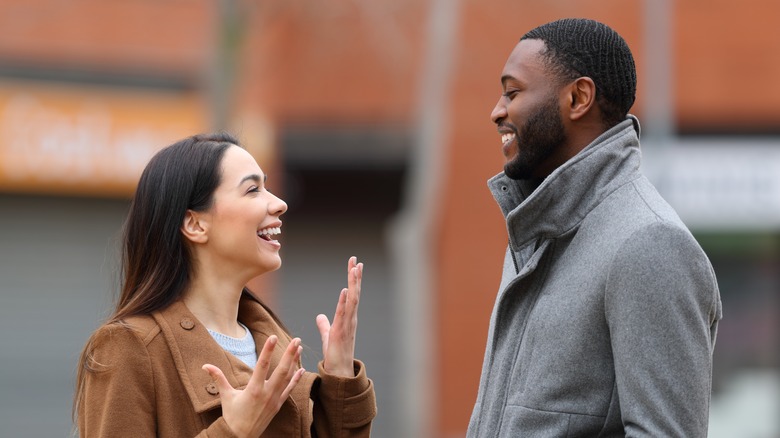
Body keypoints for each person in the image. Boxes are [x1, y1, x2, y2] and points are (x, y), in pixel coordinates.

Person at [467, 18, 722, 437]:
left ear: (578, 98)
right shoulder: (536, 235)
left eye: (513, 92)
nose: (497, 111)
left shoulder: (650, 243)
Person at [73, 133, 376, 437]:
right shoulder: (129, 349)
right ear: (195, 224)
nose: (279, 203)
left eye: (267, 187)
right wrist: (233, 431)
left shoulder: (277, 347)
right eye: (253, 189)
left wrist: (339, 380)